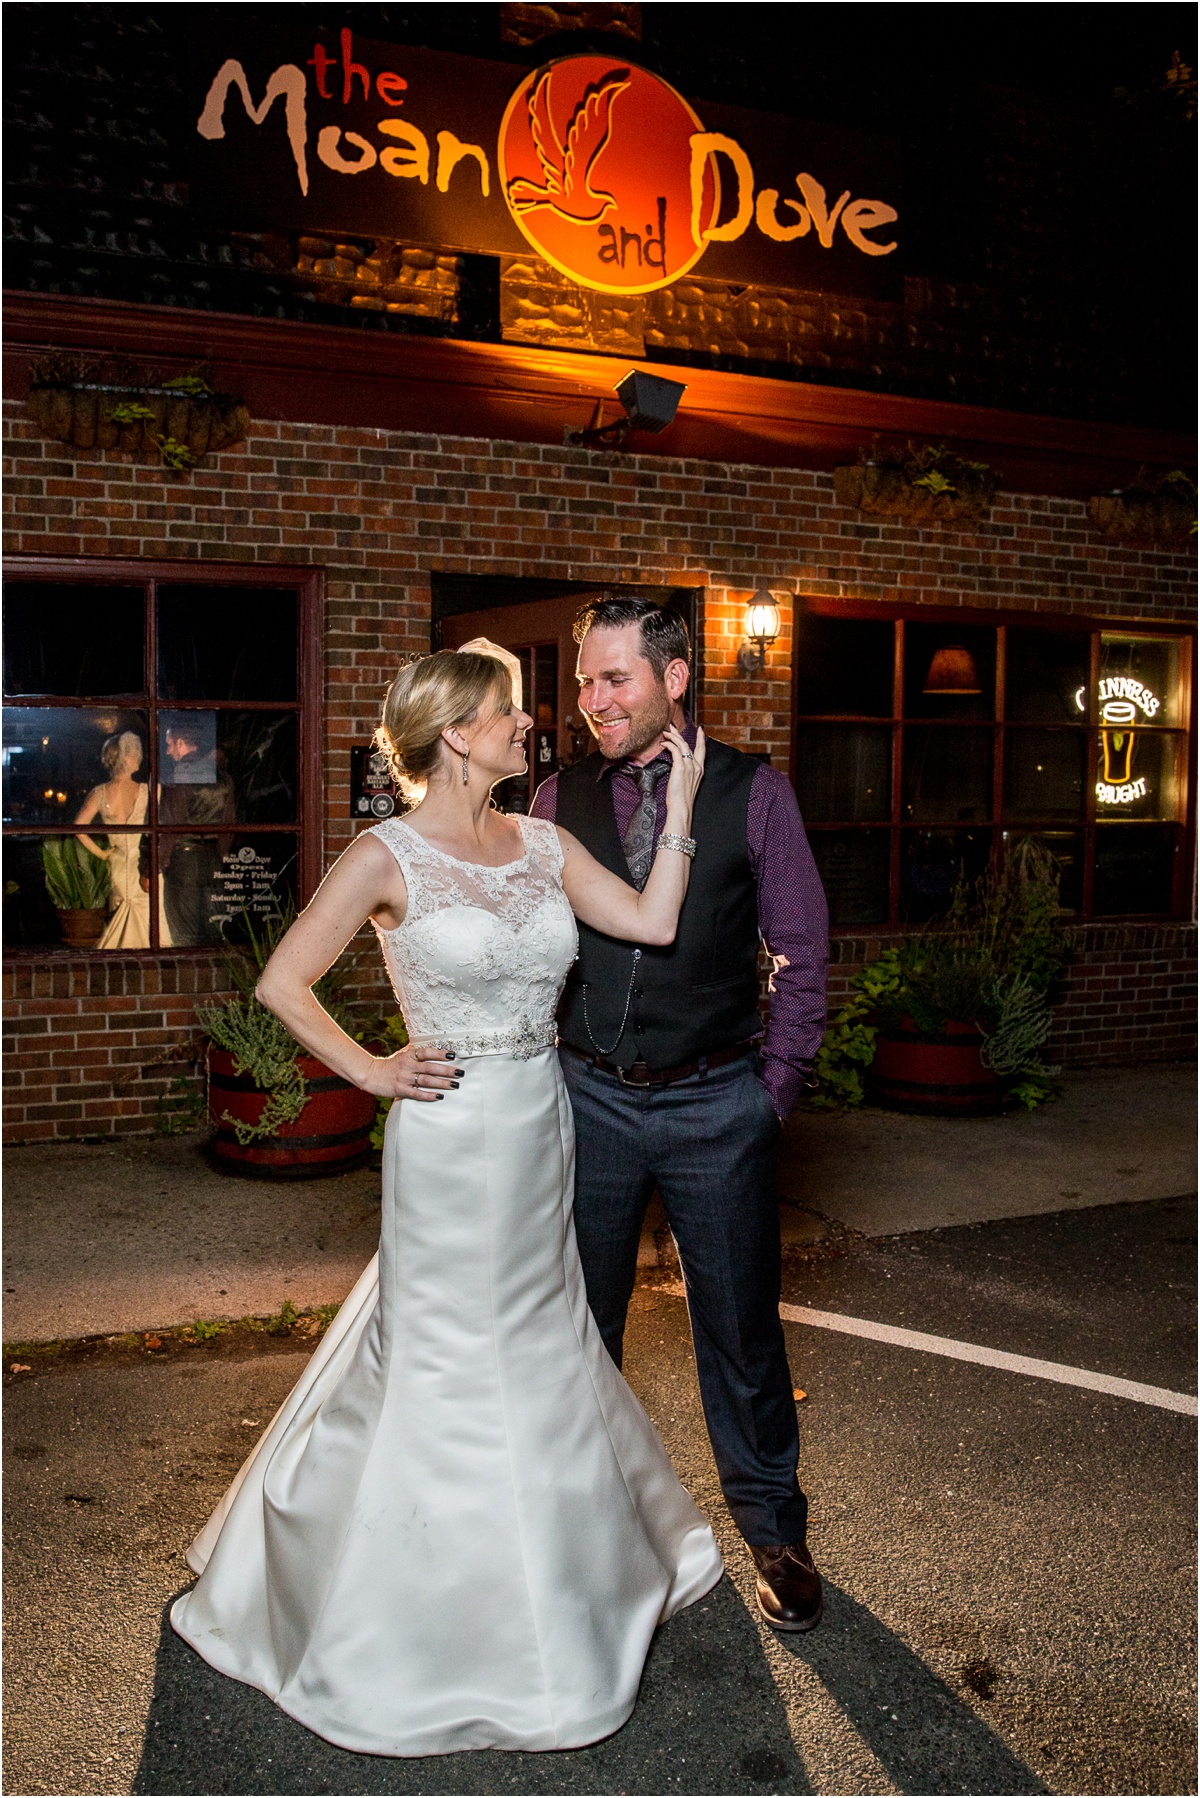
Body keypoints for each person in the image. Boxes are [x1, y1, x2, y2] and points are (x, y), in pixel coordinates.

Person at [170, 647, 723, 1757]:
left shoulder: (546, 842)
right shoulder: (387, 855)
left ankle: (559, 1584)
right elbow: (284, 980)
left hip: (538, 1126)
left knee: (543, 1339)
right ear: (457, 735)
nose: (533, 724)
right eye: (510, 713)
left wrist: (685, 807)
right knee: (439, 1354)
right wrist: (373, 1069)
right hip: (448, 1132)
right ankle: (405, 1614)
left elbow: (653, 923)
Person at [531, 596, 829, 1634]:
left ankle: (775, 1529)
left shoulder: (755, 792)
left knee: (742, 1331)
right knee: (577, 1329)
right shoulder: (553, 793)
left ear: (675, 677)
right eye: (584, 680)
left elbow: (802, 953)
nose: (592, 700)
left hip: (717, 1099)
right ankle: (583, 1534)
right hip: (588, 1099)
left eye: (615, 678)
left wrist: (769, 1098)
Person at [139, 717, 235, 946]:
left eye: (170, 744)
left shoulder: (181, 775)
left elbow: (167, 826)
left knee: (185, 933)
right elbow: (229, 825)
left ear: (181, 743)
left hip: (183, 862)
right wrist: (219, 856)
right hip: (212, 860)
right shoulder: (223, 777)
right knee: (213, 929)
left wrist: (149, 867)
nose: (169, 751)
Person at [74, 730, 164, 950]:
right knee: (152, 929)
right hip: (145, 867)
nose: (139, 757)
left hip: (118, 866)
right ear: (125, 757)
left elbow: (78, 827)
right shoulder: (150, 791)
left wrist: (102, 853)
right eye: (134, 753)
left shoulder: (100, 793)